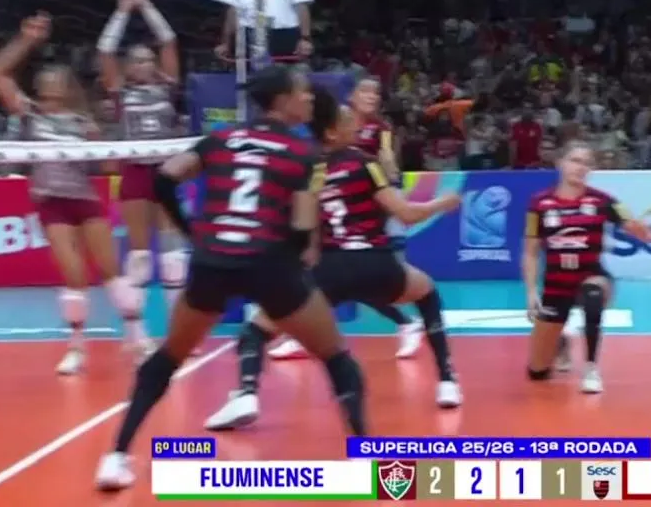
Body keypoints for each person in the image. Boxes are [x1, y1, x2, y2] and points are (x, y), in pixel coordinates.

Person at [95, 66, 367, 491]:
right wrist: (288, 270)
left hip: (213, 260)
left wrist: (191, 232)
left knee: (167, 358)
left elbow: (164, 177)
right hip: (269, 261)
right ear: (282, 100)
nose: (310, 99)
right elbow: (301, 229)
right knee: (337, 359)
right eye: (303, 93)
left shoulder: (221, 139)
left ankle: (115, 458)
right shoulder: (303, 154)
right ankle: (366, 459)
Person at [204, 91, 463, 431]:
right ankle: (446, 380)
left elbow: (302, 233)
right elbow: (406, 214)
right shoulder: (364, 162)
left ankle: (246, 393)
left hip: (328, 273)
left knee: (255, 331)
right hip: (378, 265)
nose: (354, 124)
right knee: (427, 293)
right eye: (346, 121)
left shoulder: (308, 171)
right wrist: (443, 203)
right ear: (330, 132)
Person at [0, 13, 149, 374]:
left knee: (111, 271)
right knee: (73, 274)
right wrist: (27, 40)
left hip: (85, 199)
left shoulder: (83, 122)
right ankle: (76, 347)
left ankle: (137, 337)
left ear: (68, 85)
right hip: (51, 201)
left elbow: (108, 166)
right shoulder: (29, 112)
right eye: (45, 77)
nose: (50, 80)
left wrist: (108, 143)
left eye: (57, 77)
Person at [268, 77, 424, 360]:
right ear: (352, 96)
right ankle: (302, 334)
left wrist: (390, 177)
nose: (372, 96)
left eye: (376, 93)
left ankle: (406, 322)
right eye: (365, 91)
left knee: (358, 275)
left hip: (367, 202)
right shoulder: (333, 121)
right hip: (333, 200)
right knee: (339, 278)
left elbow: (387, 157)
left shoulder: (380, 129)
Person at [524, 142, 651, 394]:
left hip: (591, 276)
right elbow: (530, 252)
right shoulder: (539, 203)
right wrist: (531, 292)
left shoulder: (603, 201)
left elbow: (631, 223)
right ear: (560, 163)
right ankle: (561, 341)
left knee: (593, 295)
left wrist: (642, 231)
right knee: (537, 372)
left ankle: (591, 367)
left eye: (586, 163)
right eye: (575, 160)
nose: (580, 167)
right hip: (555, 287)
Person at [96, 0, 189, 316]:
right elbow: (105, 50)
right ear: (128, 67)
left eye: (149, 60)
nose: (145, 64)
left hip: (166, 170)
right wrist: (122, 11)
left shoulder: (168, 88)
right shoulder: (119, 91)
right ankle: (134, 330)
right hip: (135, 171)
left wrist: (147, 6)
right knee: (139, 256)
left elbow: (168, 41)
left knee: (173, 254)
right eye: (137, 60)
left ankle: (178, 328)